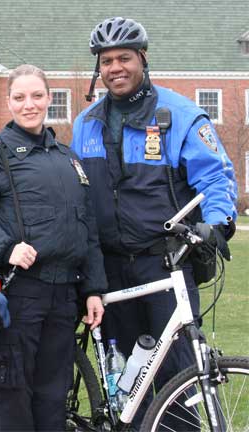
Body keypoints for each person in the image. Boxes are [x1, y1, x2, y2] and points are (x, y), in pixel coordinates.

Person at [71, 17, 237, 428]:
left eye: (123, 58)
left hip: (165, 264)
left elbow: (216, 179)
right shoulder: (85, 123)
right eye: (106, 60)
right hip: (109, 270)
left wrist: (216, 226)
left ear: (142, 59)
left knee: (179, 378)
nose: (115, 68)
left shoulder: (179, 115)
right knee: (125, 381)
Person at [0, 64, 106, 431]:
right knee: (10, 405)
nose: (28, 104)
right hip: (17, 298)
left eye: (36, 96)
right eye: (19, 97)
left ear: (49, 99)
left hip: (63, 300)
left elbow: (88, 231)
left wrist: (93, 289)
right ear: (9, 102)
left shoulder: (69, 161)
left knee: (52, 404)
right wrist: (5, 248)